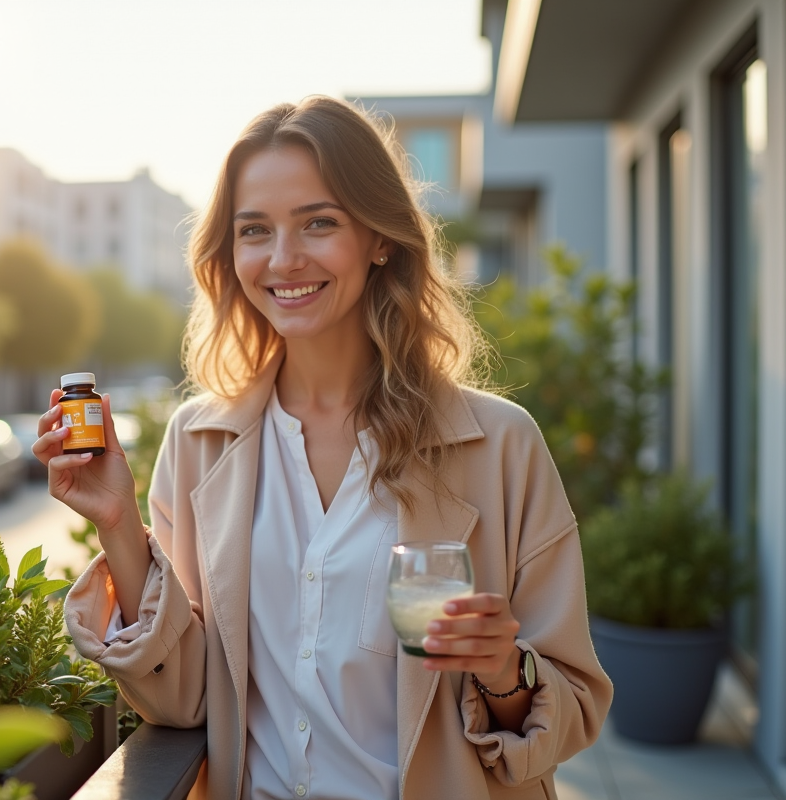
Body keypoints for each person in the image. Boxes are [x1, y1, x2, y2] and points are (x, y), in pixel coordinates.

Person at [34, 96, 612, 800]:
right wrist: (119, 523)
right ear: (230, 253)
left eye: (318, 223)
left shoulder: (500, 445)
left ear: (379, 238)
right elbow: (182, 702)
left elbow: (573, 712)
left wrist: (503, 671)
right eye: (254, 231)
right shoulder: (199, 441)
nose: (283, 260)